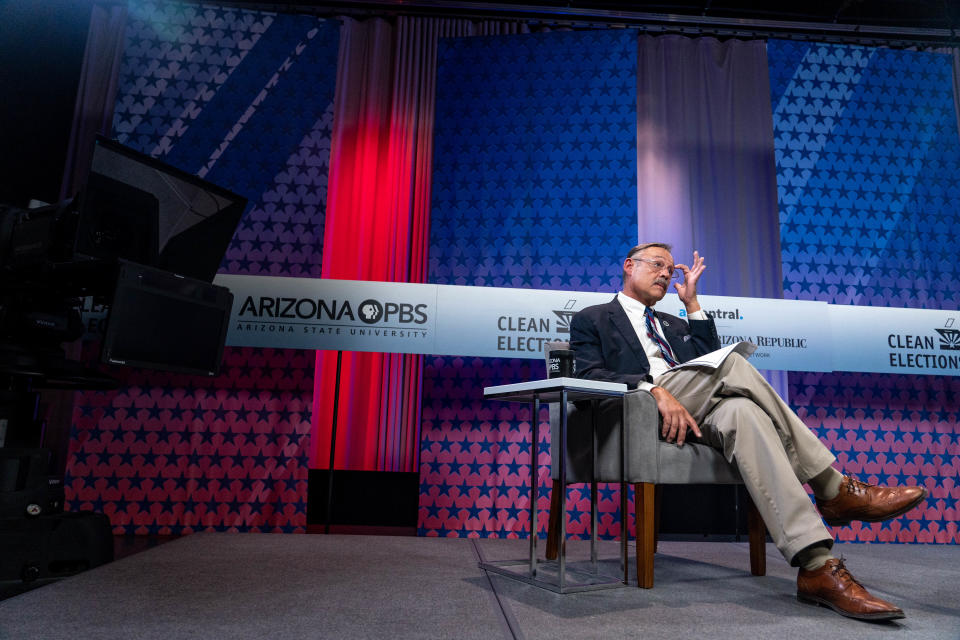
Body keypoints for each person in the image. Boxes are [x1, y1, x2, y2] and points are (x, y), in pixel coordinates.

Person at [569, 242, 928, 622]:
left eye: (671, 270)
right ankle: (832, 487)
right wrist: (654, 391)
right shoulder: (594, 317)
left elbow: (705, 362)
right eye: (658, 265)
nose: (665, 274)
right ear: (629, 266)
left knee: (744, 413)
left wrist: (692, 305)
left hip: (699, 411)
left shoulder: (674, 323)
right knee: (735, 364)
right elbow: (587, 374)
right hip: (645, 411)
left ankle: (816, 566)